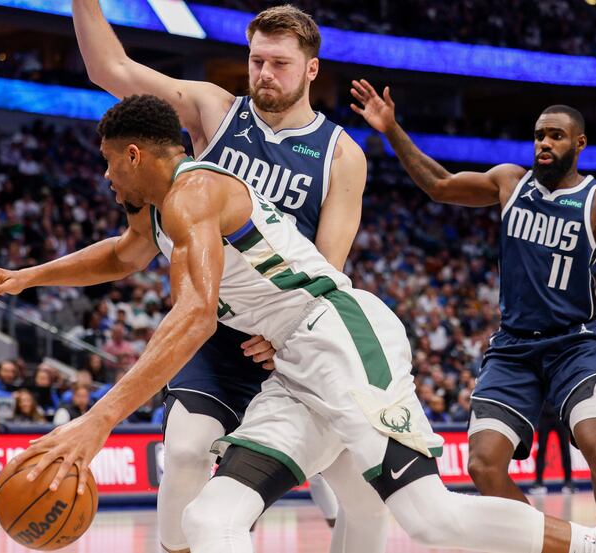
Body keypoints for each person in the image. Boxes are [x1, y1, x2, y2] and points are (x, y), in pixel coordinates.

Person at [0, 96, 596, 553]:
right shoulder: (157, 211)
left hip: (340, 336)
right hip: (293, 365)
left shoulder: (196, 192)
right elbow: (121, 255)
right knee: (208, 521)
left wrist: (99, 418)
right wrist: (24, 275)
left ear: (133, 154)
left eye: (106, 166)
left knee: (431, 519)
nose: (105, 183)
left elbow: (196, 313)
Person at [70, 3, 376, 548]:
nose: (264, 73)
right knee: (186, 451)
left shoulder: (342, 154)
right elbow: (110, 70)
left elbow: (329, 262)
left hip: (288, 335)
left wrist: (286, 333)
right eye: (257, 60)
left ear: (311, 70)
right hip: (213, 327)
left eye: (280, 63)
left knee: (361, 485)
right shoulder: (215, 110)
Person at [350, 78, 596, 541]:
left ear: (578, 144)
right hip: (513, 349)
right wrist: (392, 128)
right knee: (482, 466)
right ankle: (564, 546)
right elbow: (438, 185)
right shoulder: (509, 182)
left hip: (574, 346)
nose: (544, 143)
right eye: (539, 134)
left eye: (555, 136)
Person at [529, 403, 574, 496]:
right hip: (544, 416)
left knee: (565, 449)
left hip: (560, 415)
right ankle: (538, 483)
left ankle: (568, 482)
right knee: (541, 449)